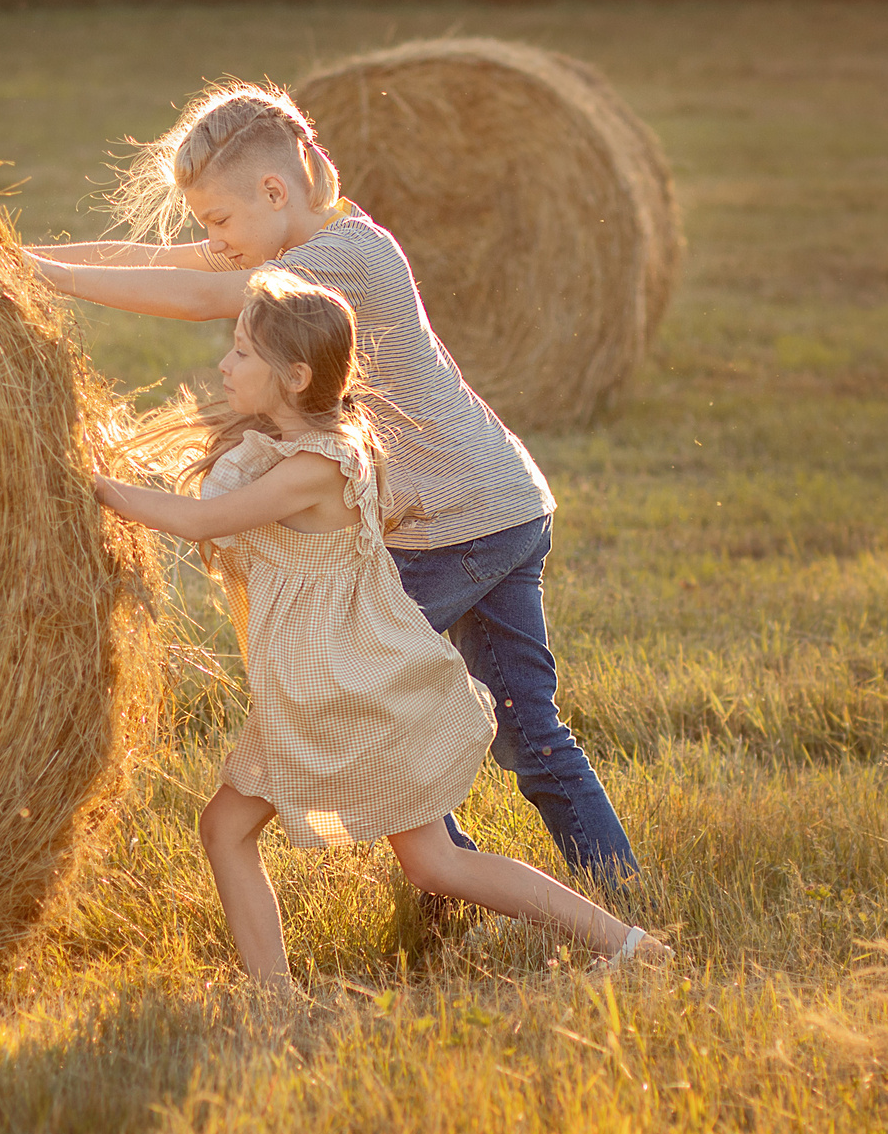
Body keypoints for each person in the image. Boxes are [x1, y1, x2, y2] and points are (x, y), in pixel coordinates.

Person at [30, 82, 638, 878]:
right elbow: (163, 261)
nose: (214, 239)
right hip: (501, 504)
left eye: (219, 220)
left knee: (368, 689)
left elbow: (206, 293)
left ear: (274, 191)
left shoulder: (349, 255)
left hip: (457, 526)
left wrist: (59, 280)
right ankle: (590, 888)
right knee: (522, 729)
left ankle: (463, 888)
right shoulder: (296, 243)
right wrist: (26, 263)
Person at [93, 270, 668, 986]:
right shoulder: (315, 442)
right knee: (409, 858)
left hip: (342, 687)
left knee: (283, 837)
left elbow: (204, 521)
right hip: (332, 681)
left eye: (241, 353)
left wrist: (92, 486)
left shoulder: (316, 465)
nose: (223, 364)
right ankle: (627, 946)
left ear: (294, 375)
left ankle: (623, 943)